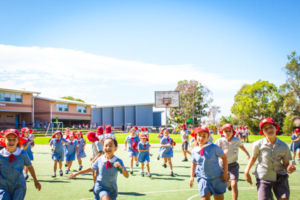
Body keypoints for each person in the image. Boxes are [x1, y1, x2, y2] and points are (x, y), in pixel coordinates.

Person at [244, 118, 296, 200]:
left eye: (271, 127)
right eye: (266, 129)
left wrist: (289, 168)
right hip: (263, 176)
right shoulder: (258, 144)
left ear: (276, 128)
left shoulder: (284, 146)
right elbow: (253, 158)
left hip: (280, 175)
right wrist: (246, 171)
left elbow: (286, 164)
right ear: (263, 132)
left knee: (284, 198)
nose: (269, 130)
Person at [0, 129, 41, 199]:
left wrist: (35, 180)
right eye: (9, 139)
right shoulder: (1, 154)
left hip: (19, 186)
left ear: (18, 140)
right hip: (3, 186)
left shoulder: (22, 153)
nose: (11, 141)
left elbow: (30, 166)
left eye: (14, 139)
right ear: (4, 140)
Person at [189, 127, 228, 200]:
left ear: (208, 137)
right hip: (203, 178)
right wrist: (191, 177)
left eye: (204, 136)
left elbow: (224, 157)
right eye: (199, 135)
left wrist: (225, 172)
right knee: (204, 198)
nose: (201, 138)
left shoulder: (213, 147)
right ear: (196, 136)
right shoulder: (194, 150)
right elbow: (194, 163)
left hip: (216, 178)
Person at [215, 124, 250, 200]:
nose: (227, 133)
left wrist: (247, 153)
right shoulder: (219, 141)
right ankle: (228, 185)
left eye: (229, 131)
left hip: (233, 165)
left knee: (234, 184)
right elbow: (215, 152)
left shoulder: (236, 140)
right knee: (224, 183)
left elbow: (241, 146)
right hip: (222, 165)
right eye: (225, 131)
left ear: (232, 132)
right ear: (222, 132)